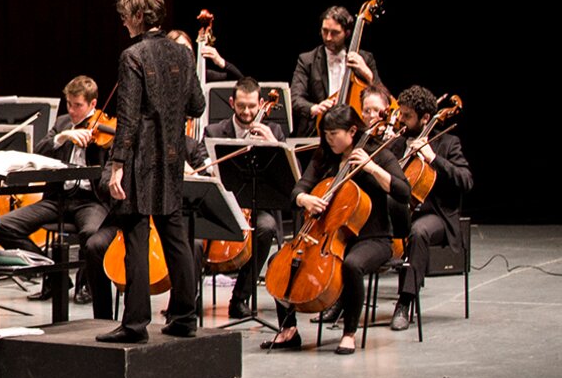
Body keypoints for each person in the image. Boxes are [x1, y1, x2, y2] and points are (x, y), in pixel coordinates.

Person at [84, 0, 204, 344]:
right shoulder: (183, 55)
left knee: (135, 236)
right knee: (175, 237)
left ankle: (135, 324)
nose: (124, 25)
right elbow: (196, 106)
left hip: (139, 161)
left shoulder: (132, 55)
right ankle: (185, 316)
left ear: (138, 17)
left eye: (125, 18)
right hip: (171, 160)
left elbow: (128, 118)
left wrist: (117, 164)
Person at [262, 105, 409, 354]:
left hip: (373, 238)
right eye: (326, 135)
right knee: (280, 261)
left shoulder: (379, 154)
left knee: (352, 265)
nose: (329, 140)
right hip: (327, 236)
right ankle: (288, 330)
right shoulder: (325, 156)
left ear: (353, 131)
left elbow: (403, 192)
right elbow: (299, 188)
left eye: (334, 135)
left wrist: (372, 168)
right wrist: (304, 200)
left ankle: (349, 333)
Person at [0, 77, 109, 302]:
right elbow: (38, 151)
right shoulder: (63, 123)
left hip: (90, 201)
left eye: (78, 105)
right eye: (69, 104)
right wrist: (62, 137)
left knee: (91, 234)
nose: (72, 111)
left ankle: (87, 285)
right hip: (59, 199)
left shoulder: (106, 128)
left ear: (92, 104)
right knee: (2, 226)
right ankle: (55, 275)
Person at [386, 85, 472, 332]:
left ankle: (405, 302)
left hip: (436, 217)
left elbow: (466, 180)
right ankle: (342, 300)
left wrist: (433, 159)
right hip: (399, 212)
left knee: (418, 232)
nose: (400, 120)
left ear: (425, 118)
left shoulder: (447, 143)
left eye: (406, 116)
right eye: (400, 114)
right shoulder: (396, 144)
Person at [200, 76, 286, 318]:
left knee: (266, 228)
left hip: (257, 204)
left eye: (252, 106)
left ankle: (240, 299)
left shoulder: (275, 131)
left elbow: (286, 172)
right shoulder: (215, 131)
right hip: (222, 204)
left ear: (261, 103)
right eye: (241, 106)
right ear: (231, 103)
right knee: (193, 233)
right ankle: (189, 298)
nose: (247, 112)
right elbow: (200, 158)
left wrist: (273, 144)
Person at [291, 6, 381, 136]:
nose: (328, 37)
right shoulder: (307, 60)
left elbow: (383, 97)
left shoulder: (365, 58)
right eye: (325, 31)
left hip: (354, 131)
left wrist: (367, 73)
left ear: (347, 33)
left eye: (335, 33)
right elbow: (295, 98)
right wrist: (314, 108)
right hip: (317, 132)